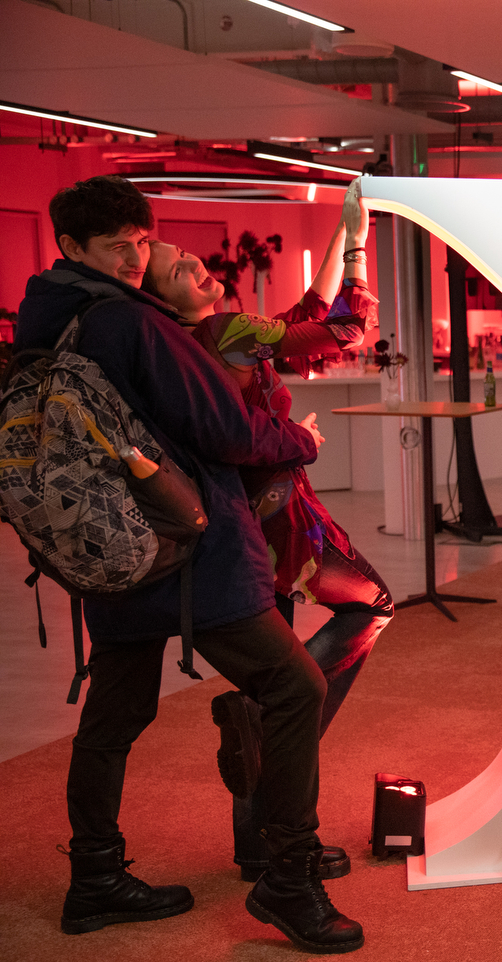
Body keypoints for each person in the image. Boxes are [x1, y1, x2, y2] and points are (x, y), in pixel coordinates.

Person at [17, 175, 363, 952]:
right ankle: (287, 875)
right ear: (73, 248)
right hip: (189, 548)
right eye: (119, 247)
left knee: (114, 714)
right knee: (293, 685)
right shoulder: (128, 325)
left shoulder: (48, 323)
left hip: (107, 548)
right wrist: (300, 443)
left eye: (144, 242)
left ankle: (95, 879)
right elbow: (227, 428)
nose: (136, 258)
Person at [140, 179, 393, 882]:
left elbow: (302, 318)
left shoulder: (185, 347)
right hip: (282, 524)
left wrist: (341, 232)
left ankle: (258, 844)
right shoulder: (225, 333)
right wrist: (362, 248)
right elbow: (343, 327)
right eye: (178, 269)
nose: (197, 266)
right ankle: (274, 739)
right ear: (164, 297)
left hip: (238, 530)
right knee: (370, 605)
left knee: (265, 685)